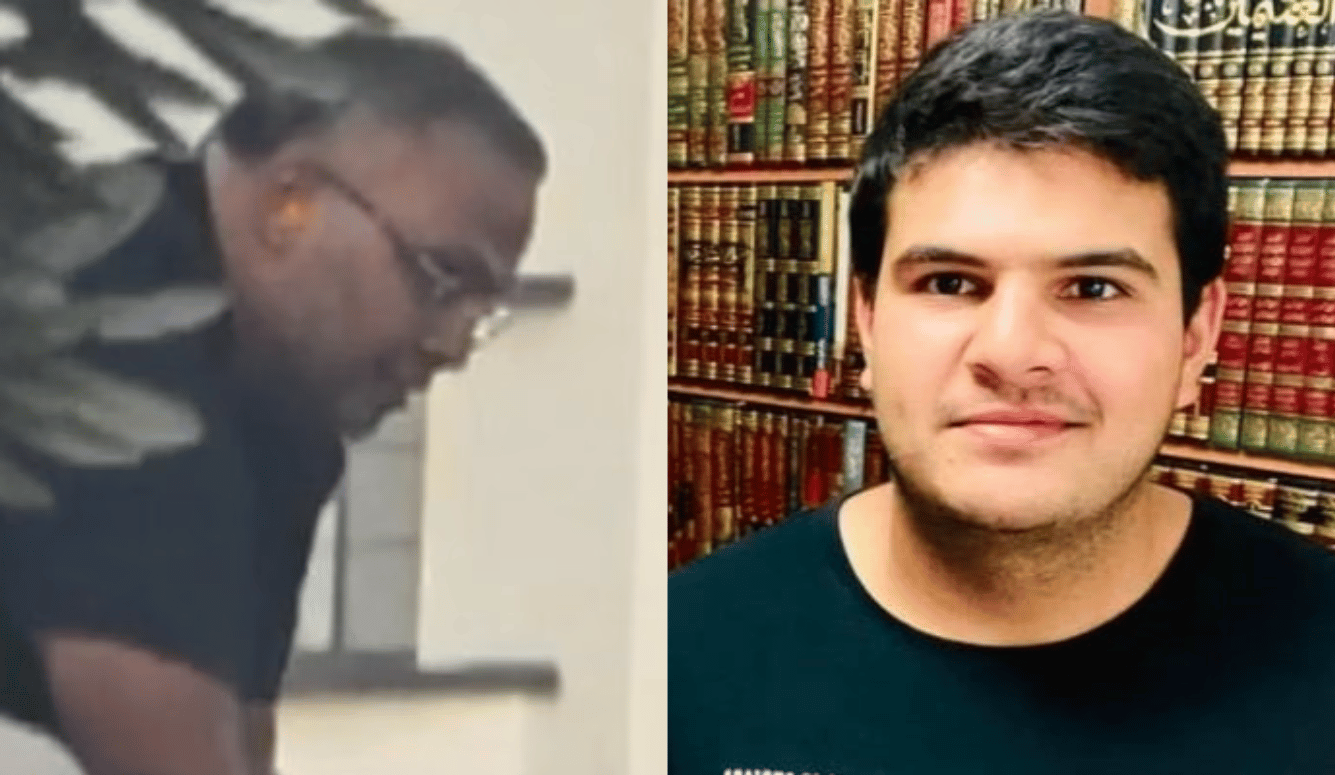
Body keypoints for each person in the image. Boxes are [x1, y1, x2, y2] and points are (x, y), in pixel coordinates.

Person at [669, 10, 1335, 774]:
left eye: (1092, 287)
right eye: (949, 282)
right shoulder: (671, 665)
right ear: (867, 321)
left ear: (1194, 336)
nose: (1012, 353)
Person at [0, 31, 545, 775]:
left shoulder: (285, 413)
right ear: (289, 205)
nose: (452, 345)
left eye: (481, 313)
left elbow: (238, 732)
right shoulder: (121, 330)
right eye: (441, 278)